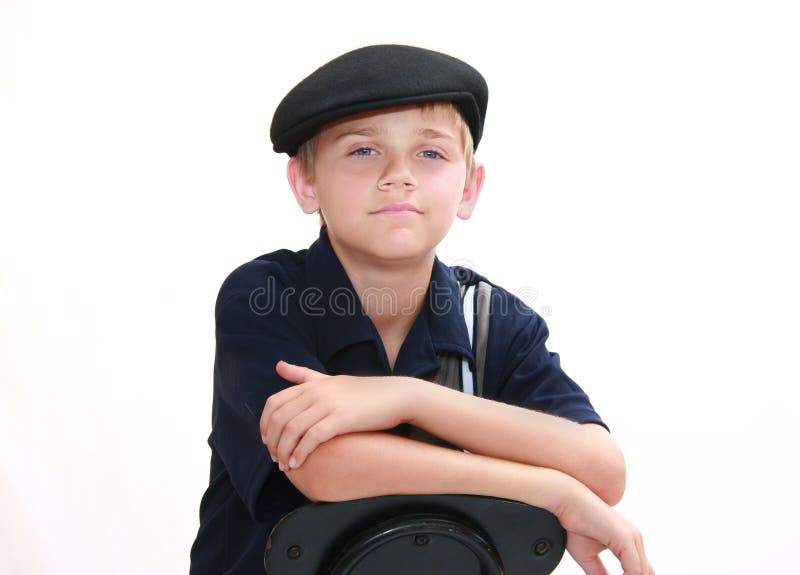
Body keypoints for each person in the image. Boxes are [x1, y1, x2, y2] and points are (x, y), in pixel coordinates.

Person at [190, 44, 654, 575]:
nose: (398, 174)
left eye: (430, 154)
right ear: (306, 182)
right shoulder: (264, 296)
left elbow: (602, 468)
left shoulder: (493, 322)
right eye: (363, 150)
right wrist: (551, 490)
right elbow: (323, 465)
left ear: (469, 187)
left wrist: (409, 399)